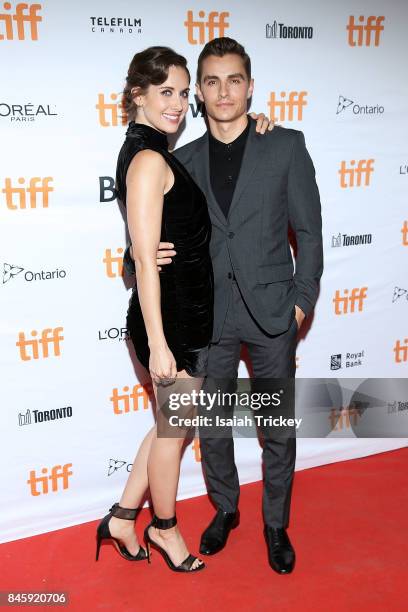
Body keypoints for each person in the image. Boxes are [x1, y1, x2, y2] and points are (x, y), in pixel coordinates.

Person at [95, 45, 273, 573]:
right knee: (174, 433)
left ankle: (124, 517)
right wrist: (160, 345)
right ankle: (165, 529)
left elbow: (148, 242)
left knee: (167, 425)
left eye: (179, 92)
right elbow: (147, 264)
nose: (176, 104)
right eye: (164, 92)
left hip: (181, 313)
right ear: (138, 96)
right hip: (170, 320)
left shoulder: (148, 151)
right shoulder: (150, 158)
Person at [154, 37, 324, 574]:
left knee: (277, 427)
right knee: (213, 423)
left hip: (274, 313)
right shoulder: (179, 162)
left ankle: (276, 523)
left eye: (234, 80)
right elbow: (159, 237)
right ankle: (226, 508)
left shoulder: (286, 146)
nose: (223, 90)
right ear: (200, 94)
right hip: (210, 318)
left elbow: (310, 233)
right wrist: (146, 255)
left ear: (250, 86)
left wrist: (303, 302)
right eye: (211, 81)